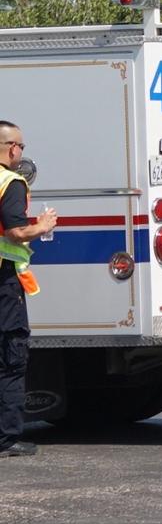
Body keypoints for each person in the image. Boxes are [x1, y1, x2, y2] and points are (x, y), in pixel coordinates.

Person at [0, 122, 56, 459]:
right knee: (11, 357)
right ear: (11, 148)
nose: (22, 152)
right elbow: (16, 233)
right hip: (4, 283)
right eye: (21, 146)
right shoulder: (12, 182)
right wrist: (43, 226)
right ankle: (6, 438)